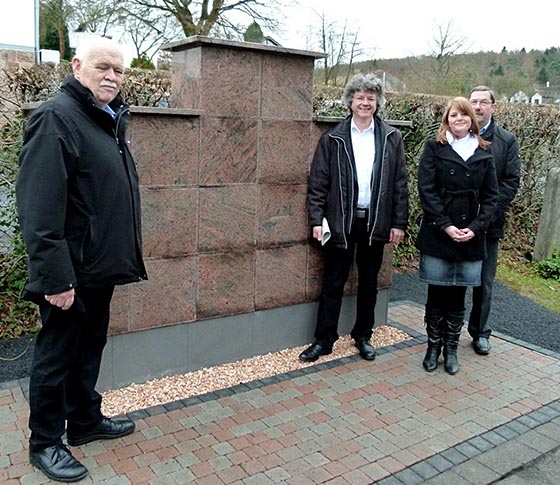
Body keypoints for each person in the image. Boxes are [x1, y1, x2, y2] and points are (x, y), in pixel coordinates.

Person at [16, 37, 147, 482]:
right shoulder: (56, 118)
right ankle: (46, 442)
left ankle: (85, 420)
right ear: (77, 66)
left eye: (119, 70)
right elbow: (39, 209)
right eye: (102, 67)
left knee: (88, 348)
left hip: (97, 267)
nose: (111, 76)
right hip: (68, 273)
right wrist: (55, 279)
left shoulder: (105, 119)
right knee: (57, 358)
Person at [300, 73, 408, 363]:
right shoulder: (333, 138)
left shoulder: (391, 138)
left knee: (369, 283)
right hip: (340, 223)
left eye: (371, 98)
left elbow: (400, 183)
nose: (365, 103)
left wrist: (399, 223)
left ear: (377, 103)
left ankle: (363, 336)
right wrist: (315, 219)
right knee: (333, 282)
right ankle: (324, 340)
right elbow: (318, 184)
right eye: (360, 97)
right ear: (351, 101)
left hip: (375, 223)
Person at [416, 97, 499, 375]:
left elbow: (491, 197)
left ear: (471, 120)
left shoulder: (484, 151)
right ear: (447, 119)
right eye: (454, 115)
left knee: (458, 296)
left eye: (464, 115)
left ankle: (451, 348)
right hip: (440, 231)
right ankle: (432, 346)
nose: (460, 119)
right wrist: (446, 225)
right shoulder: (434, 147)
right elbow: (426, 189)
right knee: (436, 292)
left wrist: (475, 228)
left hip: (471, 234)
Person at [467, 86, 521, 355]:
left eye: (483, 102)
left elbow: (511, 181)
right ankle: (443, 332)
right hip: (457, 224)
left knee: (484, 282)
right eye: (473, 102)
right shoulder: (455, 134)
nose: (478, 107)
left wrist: (487, 213)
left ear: (493, 107)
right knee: (450, 280)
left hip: (489, 225)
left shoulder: (506, 140)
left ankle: (480, 333)